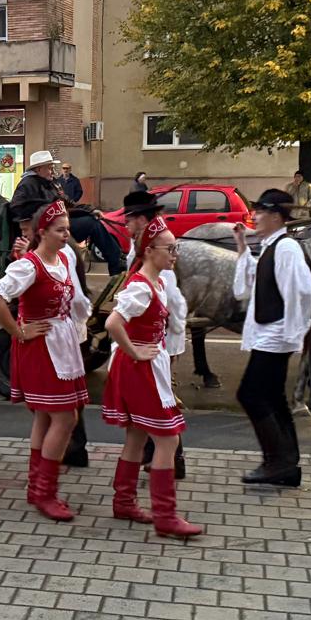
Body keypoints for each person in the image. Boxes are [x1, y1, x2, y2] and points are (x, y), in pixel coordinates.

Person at [0, 200, 92, 522]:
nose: (66, 235)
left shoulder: (63, 258)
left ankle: (38, 487)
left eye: (67, 229)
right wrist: (19, 331)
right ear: (42, 232)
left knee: (47, 417)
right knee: (65, 418)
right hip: (42, 347)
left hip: (61, 343)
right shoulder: (29, 266)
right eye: (60, 230)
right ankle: (46, 491)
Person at [102, 216, 200, 537]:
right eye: (169, 249)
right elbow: (113, 323)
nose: (175, 254)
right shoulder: (141, 286)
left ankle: (124, 502)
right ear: (149, 251)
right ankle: (165, 516)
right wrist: (134, 351)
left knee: (137, 436)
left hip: (146, 366)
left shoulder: (155, 282)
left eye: (176, 248)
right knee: (168, 438)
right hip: (140, 369)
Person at [232, 189, 311, 487]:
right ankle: (286, 463)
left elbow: (303, 290)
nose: (254, 216)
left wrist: (292, 331)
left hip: (276, 335)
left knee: (251, 394)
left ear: (277, 217)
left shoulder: (286, 248)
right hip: (272, 333)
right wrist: (242, 245)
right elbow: (249, 284)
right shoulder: (272, 246)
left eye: (260, 212)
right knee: (273, 397)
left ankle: (278, 462)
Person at [119, 187, 190, 478]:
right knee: (149, 411)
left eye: (128, 219)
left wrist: (170, 346)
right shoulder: (141, 246)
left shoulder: (159, 249)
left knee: (164, 405)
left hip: (157, 342)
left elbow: (173, 303)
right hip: (147, 340)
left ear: (140, 219)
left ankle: (174, 461)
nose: (125, 224)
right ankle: (154, 458)